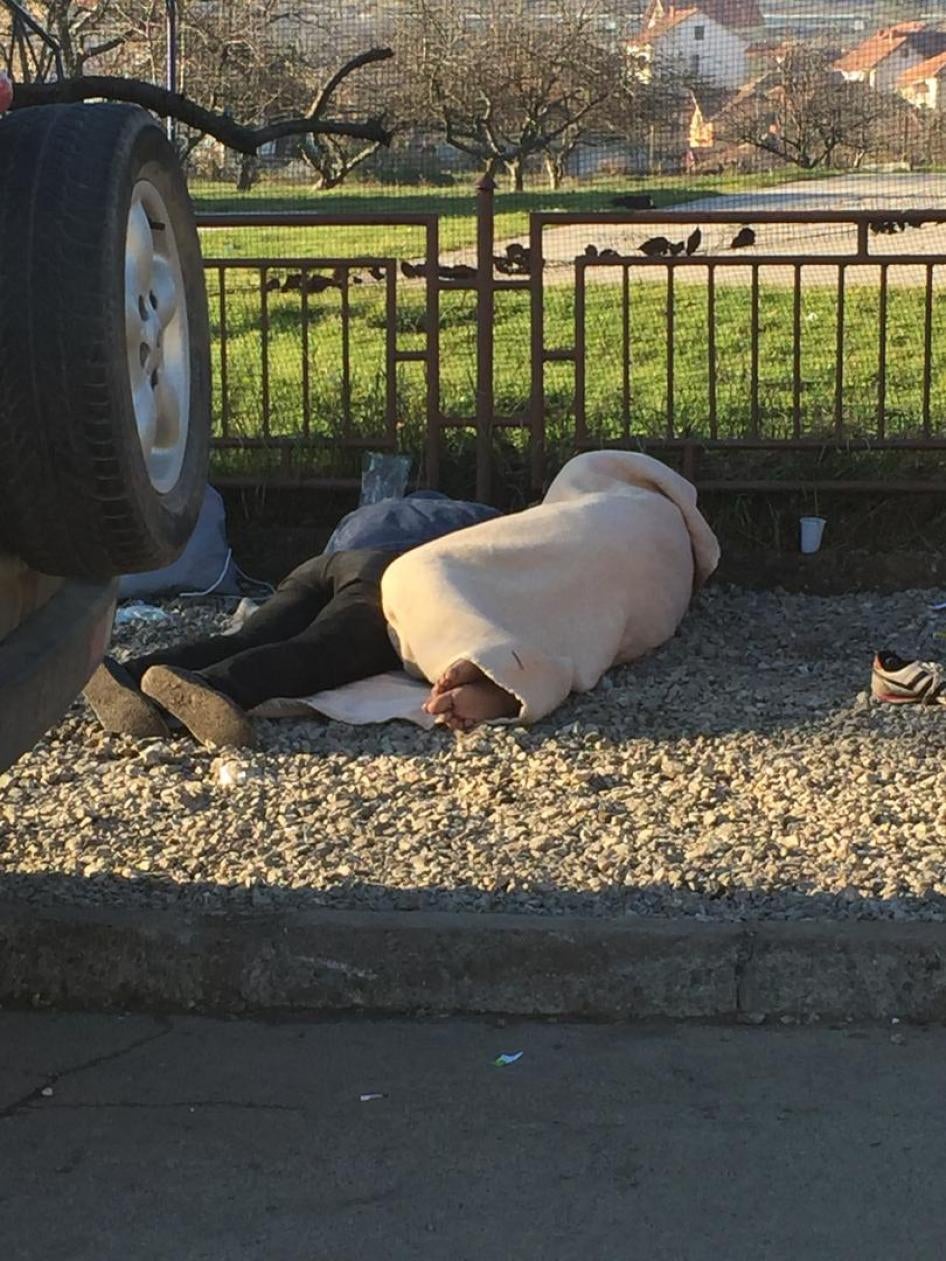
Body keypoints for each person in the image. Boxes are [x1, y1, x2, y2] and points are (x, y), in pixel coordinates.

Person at [84, 549, 402, 748]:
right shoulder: (443, 552)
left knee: (250, 636)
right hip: (389, 576)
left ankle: (128, 673)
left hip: (323, 563)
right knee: (318, 650)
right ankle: (217, 686)